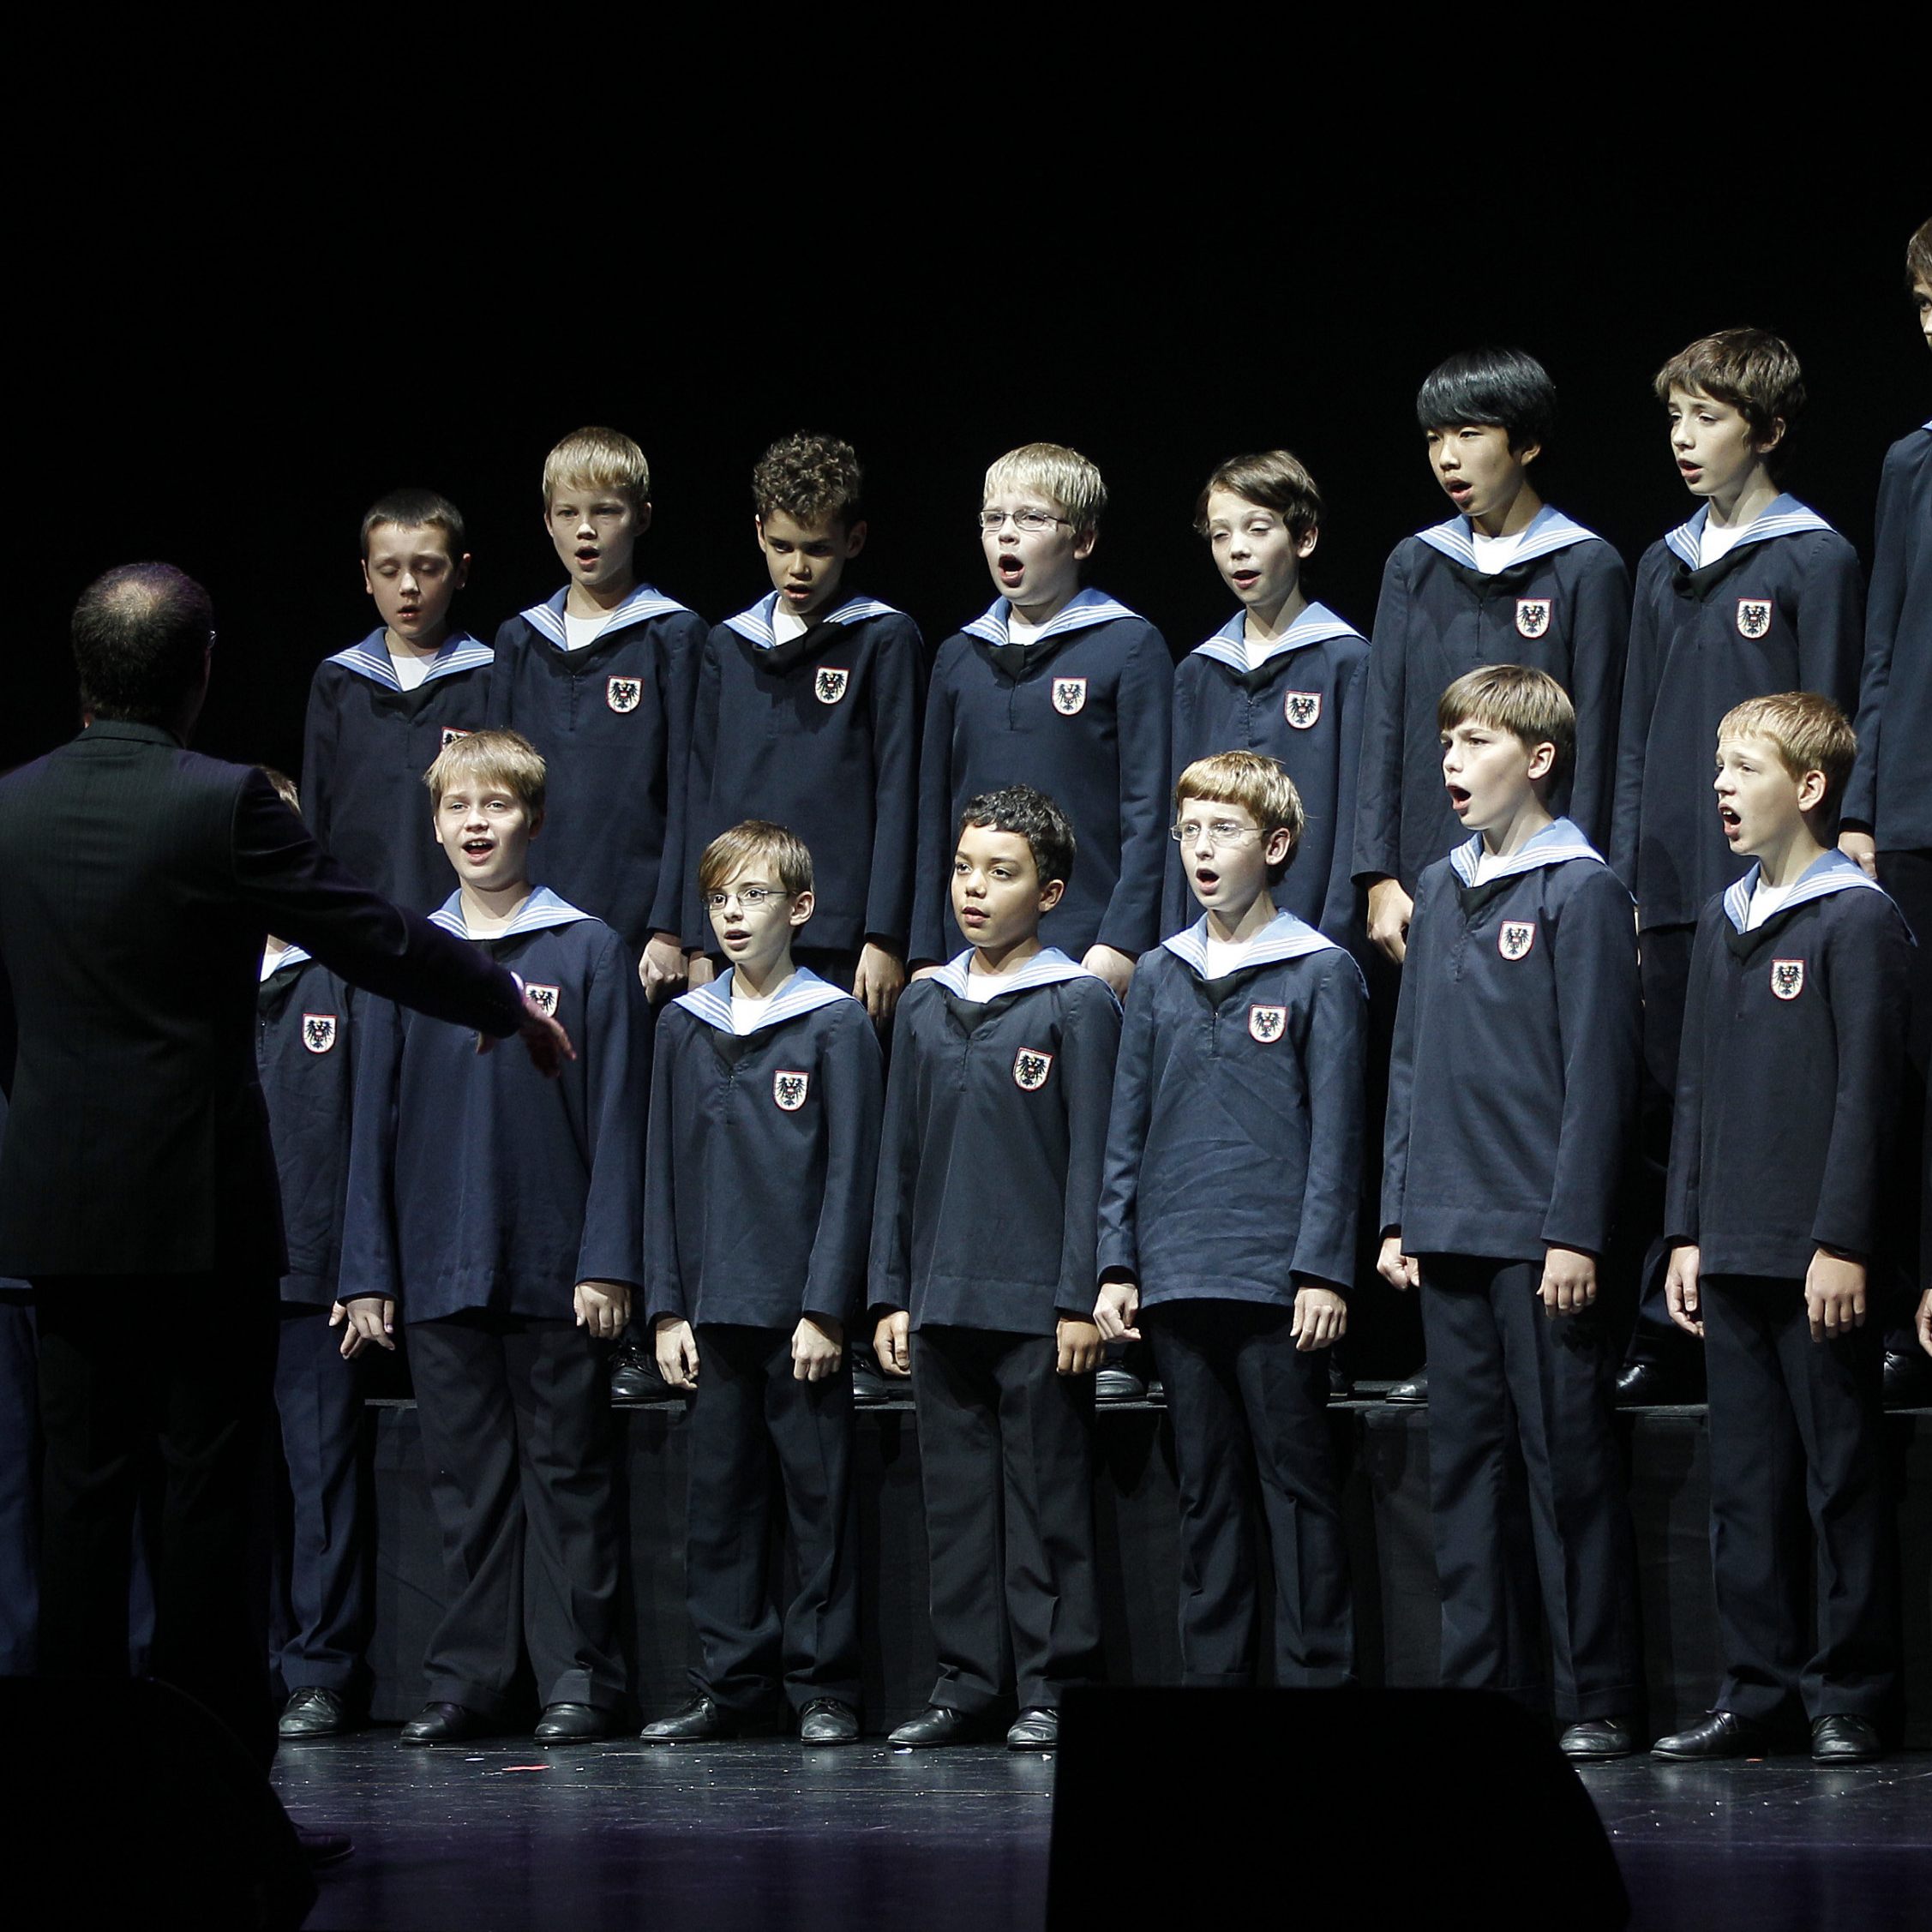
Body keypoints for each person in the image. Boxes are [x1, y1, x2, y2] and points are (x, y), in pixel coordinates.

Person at [0, 564, 561, 1786]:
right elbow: (359, 926)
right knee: (211, 1500)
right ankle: (211, 1799)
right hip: (200, 1205)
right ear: (200, 673)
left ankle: (69, 1793)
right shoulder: (221, 802)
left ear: (81, 671)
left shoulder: (13, 806)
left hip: (57, 1205)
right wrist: (498, 996)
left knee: (78, 1498)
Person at [341, 730, 645, 1745]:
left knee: (568, 1477)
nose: (477, 822)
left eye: (497, 805)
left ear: (535, 818)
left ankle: (579, 1675)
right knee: (466, 1485)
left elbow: (618, 1118)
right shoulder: (403, 953)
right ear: (434, 825)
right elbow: (371, 1121)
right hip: (437, 1256)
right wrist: (369, 1268)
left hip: (558, 1261)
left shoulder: (587, 948)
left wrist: (609, 1258)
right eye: (458, 807)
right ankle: (471, 1678)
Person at [1378, 667, 1642, 1759]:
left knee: (1563, 1466)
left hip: (1538, 1233)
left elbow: (1600, 1075)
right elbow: (1411, 1061)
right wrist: (1398, 1209)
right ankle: (1482, 1690)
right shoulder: (1438, 887)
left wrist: (1574, 1227)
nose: (1450, 762)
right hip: (1445, 1224)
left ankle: (1594, 1697)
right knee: (1466, 1472)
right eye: (1444, 742)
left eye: (1474, 742)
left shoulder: (1578, 889)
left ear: (1535, 759)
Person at [1652, 694, 1909, 1764]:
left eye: (1741, 766)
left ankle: (1847, 1691)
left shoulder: (1856, 917)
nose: (1718, 784)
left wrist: (1842, 1239)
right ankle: (1755, 1687)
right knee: (1744, 1483)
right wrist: (1683, 1231)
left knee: (1837, 1477)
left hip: (1817, 1257)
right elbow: (1697, 1085)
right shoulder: (1725, 915)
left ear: (1806, 788)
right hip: (1735, 1247)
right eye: (1716, 764)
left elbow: (1873, 1094)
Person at [1611, 329, 1864, 1402]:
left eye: (1706, 418)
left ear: (1763, 428)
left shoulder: (1816, 556)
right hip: (1674, 881)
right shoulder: (1661, 562)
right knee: (1669, 1100)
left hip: (1786, 883)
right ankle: (1667, 1320)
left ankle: (1841, 1303)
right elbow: (1632, 735)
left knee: (1801, 1095)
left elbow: (1837, 715)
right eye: (1674, 418)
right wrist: (1627, 872)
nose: (1683, 439)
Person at [1096, 751, 1362, 1689]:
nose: (1201, 851)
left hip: (1274, 1276)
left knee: (1295, 1486)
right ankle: (1213, 1684)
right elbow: (1125, 1129)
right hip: (1176, 1270)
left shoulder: (1319, 971)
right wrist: (1115, 1263)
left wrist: (1324, 1269)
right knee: (1204, 1488)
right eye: (1190, 832)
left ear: (1277, 844)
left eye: (1225, 831)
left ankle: (1313, 1678)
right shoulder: (1162, 976)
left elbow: (1337, 1137)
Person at [872, 785, 1120, 1749]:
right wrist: (890, 1290)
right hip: (941, 1294)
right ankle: (966, 1679)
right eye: (965, 869)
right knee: (959, 1504)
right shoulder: (930, 1003)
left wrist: (1077, 1296)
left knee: (1045, 1500)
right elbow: (897, 1159)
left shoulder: (1076, 1003)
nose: (974, 890)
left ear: (1050, 891)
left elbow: (1094, 1161)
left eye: (1001, 873)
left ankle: (1055, 1683)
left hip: (1036, 1304)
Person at [642, 822, 883, 1745]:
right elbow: (659, 1168)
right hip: (710, 1310)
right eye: (719, 900)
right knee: (718, 1508)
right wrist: (666, 1305)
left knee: (817, 1505)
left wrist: (828, 1306)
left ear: (801, 908)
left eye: (753, 897)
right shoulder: (682, 1026)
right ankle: (727, 1682)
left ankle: (823, 1686)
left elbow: (851, 1172)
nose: (734, 916)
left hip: (798, 1319)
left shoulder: (833, 1023)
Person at [1353, 347, 1629, 968]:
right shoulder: (1414, 564)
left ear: (1526, 444)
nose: (1447, 456)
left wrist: (1581, 871)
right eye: (1434, 438)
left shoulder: (1586, 566)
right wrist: (1377, 877)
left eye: (1469, 434)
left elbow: (1601, 734)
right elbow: (1384, 725)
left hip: (1545, 866)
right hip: (1424, 870)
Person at [908, 443, 1171, 998]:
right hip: (967, 952)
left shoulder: (1128, 646)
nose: (1007, 534)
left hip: (1084, 945)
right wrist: (927, 950)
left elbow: (1150, 809)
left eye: (1030, 518)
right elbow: (934, 809)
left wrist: (1123, 940)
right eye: (994, 519)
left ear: (1082, 540)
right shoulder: (961, 654)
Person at [681, 433, 924, 1024]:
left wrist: (885, 935)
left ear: (854, 540)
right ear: (759, 531)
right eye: (782, 546)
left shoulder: (883, 638)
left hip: (842, 936)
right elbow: (700, 793)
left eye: (817, 548)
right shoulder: (728, 644)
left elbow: (900, 793)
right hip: (737, 928)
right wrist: (696, 937)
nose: (798, 567)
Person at [485, 425, 705, 991]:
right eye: (567, 512)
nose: (585, 530)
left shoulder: (673, 634)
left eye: (605, 511)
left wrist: (673, 927)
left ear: (642, 517)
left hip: (636, 929)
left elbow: (690, 789)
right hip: (527, 913)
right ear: (547, 520)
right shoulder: (520, 639)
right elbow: (495, 786)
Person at [253, 769, 379, 1739]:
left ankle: (319, 1668)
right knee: (224, 1486)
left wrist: (361, 1269)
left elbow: (373, 1131)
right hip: (212, 1269)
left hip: (316, 1274)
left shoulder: (343, 970)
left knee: (321, 1481)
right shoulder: (189, 961)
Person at [1840, 217, 1932, 1403]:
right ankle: (1913, 1305)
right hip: (1913, 807)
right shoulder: (1910, 461)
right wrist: (1861, 806)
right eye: (1922, 303)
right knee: (1911, 1070)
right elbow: (1883, 647)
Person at [1169, 452, 1368, 952]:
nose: (1237, 550)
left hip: (1314, 936)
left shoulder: (1346, 662)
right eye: (1220, 535)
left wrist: (1338, 938)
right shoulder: (1199, 672)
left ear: (1304, 538)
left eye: (1257, 529)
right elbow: (1177, 822)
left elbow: (1355, 818)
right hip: (1207, 944)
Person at [300, 488, 493, 909]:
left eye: (427, 568)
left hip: (463, 916)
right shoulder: (339, 680)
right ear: (366, 576)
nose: (408, 586)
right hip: (358, 916)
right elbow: (317, 812)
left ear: (461, 572)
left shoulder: (489, 677)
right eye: (389, 571)